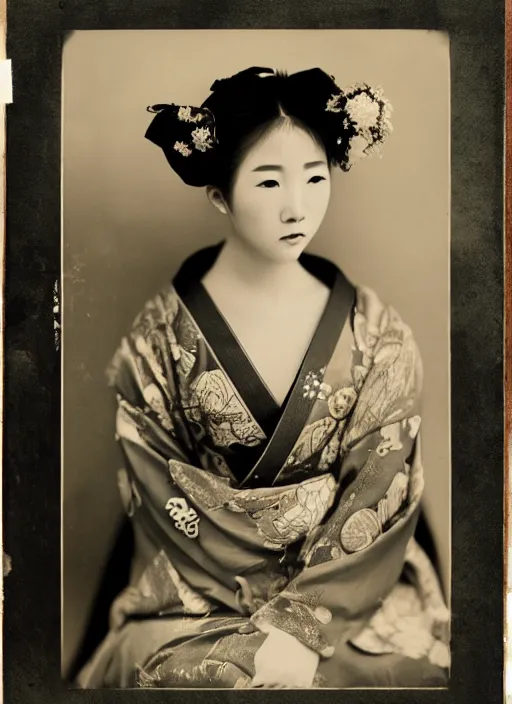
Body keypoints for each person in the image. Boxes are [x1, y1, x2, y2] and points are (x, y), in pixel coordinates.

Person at [76, 66, 450, 689]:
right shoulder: (160, 338)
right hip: (195, 593)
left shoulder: (378, 337)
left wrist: (301, 625)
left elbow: (379, 494)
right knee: (181, 670)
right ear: (220, 195)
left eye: (314, 178)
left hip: (351, 594)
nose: (296, 206)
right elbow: (156, 487)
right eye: (270, 180)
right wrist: (264, 622)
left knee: (408, 671)